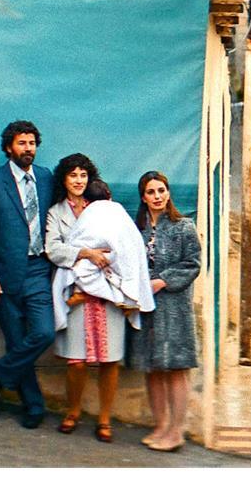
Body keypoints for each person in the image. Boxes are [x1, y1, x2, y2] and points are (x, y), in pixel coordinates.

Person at [49, 175, 155, 442]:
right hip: (86, 297)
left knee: (110, 361)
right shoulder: (68, 217)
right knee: (77, 362)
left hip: (109, 299)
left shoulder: (119, 220)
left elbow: (131, 254)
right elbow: (64, 252)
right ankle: (73, 411)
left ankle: (105, 419)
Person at [0, 120, 56, 429]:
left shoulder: (47, 178)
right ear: (9, 147)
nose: (28, 149)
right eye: (22, 143)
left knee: (43, 333)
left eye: (32, 143)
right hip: (6, 272)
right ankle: (34, 406)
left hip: (38, 268)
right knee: (16, 340)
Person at [128, 170, 201, 453]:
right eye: (151, 192)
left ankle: (176, 431)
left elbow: (192, 264)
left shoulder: (183, 227)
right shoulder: (139, 230)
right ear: (143, 197)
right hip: (147, 307)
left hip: (174, 307)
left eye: (161, 191)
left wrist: (163, 280)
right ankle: (160, 426)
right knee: (153, 367)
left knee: (176, 368)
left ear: (168, 193)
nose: (157, 196)